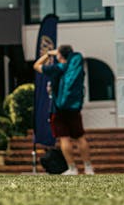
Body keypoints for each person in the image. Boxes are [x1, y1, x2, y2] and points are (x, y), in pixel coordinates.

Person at [34, 44, 94, 175]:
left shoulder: (56, 68)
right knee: (80, 137)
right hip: (74, 108)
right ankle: (88, 168)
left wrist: (48, 54)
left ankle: (72, 168)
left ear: (59, 55)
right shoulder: (76, 68)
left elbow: (36, 66)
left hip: (58, 109)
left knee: (64, 138)